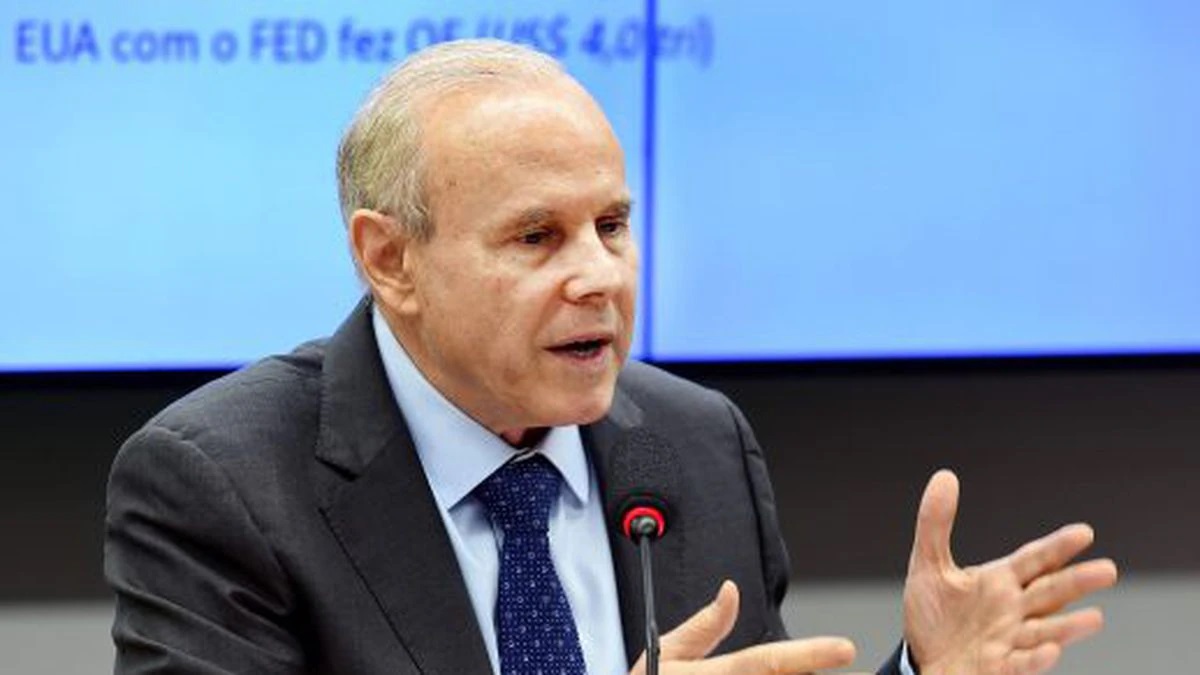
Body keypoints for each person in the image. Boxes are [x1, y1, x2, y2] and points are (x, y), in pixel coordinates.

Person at [104, 39, 1117, 675]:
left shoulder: (695, 442)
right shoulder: (224, 485)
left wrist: (922, 673)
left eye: (613, 225)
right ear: (390, 259)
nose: (599, 276)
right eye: (536, 236)